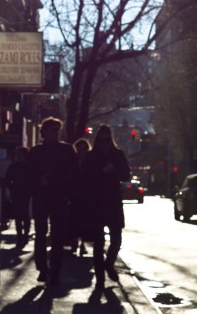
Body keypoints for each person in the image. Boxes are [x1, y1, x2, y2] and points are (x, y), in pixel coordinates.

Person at [28, 117, 79, 285]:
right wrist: (39, 181)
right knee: (41, 234)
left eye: (57, 130)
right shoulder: (36, 152)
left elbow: (74, 174)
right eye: (51, 130)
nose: (54, 133)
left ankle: (54, 270)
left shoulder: (66, 150)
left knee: (57, 236)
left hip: (58, 197)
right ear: (44, 132)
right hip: (42, 197)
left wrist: (67, 192)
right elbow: (28, 175)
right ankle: (43, 268)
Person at [81, 125, 131, 290]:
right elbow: (85, 177)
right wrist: (103, 171)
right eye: (101, 140)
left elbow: (126, 175)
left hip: (113, 201)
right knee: (98, 242)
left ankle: (109, 264)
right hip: (96, 202)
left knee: (116, 239)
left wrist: (114, 170)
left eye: (107, 140)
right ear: (97, 140)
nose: (104, 144)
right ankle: (100, 279)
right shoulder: (91, 156)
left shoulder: (118, 155)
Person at [4, 146, 32, 249]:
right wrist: (12, 188)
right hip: (16, 193)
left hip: (26, 193)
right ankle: (20, 236)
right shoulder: (14, 166)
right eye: (17, 155)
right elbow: (7, 179)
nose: (18, 157)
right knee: (18, 215)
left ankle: (25, 235)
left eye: (20, 155)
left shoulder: (29, 166)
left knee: (24, 214)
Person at [69, 138, 91, 256]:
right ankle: (74, 241)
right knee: (74, 219)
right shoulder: (72, 161)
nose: (82, 151)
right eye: (80, 149)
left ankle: (82, 242)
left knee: (84, 220)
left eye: (84, 149)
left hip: (86, 195)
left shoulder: (90, 161)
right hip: (75, 195)